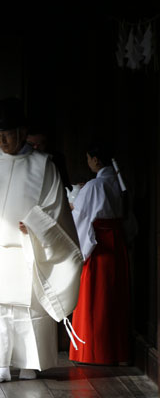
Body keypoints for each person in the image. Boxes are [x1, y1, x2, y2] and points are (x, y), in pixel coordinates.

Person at [0, 97, 83, 383]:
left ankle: (29, 364)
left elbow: (55, 206)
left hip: (28, 249)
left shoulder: (43, 164)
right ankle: (1, 364)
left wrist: (37, 225)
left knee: (29, 308)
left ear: (22, 133)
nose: (2, 140)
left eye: (8, 134)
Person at [69, 142, 130, 365]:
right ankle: (115, 351)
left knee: (94, 297)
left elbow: (81, 217)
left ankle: (93, 351)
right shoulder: (116, 181)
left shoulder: (94, 186)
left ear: (96, 160)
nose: (88, 162)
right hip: (116, 242)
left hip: (99, 245)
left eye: (88, 159)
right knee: (113, 298)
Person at [26, 126, 72, 191]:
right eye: (31, 144)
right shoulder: (22, 159)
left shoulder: (56, 158)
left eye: (40, 144)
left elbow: (65, 184)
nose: (35, 148)